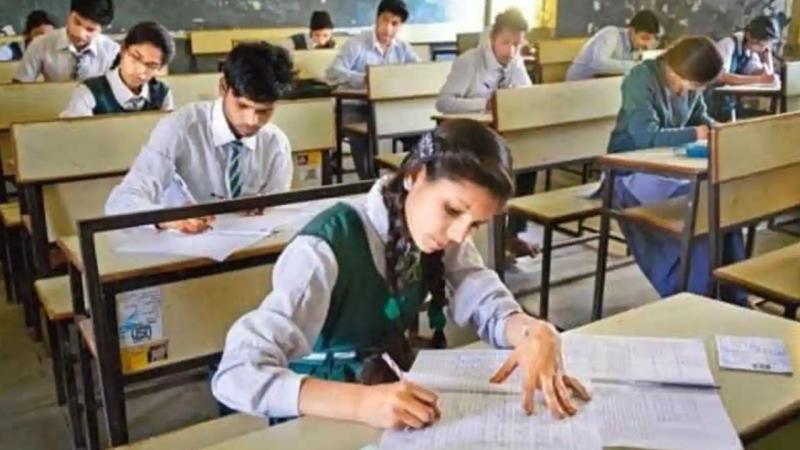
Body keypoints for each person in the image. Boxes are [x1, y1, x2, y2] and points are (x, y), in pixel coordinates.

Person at [212, 119, 591, 428]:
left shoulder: (436, 233)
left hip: (389, 395)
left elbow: (479, 291)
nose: (459, 234)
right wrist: (361, 404)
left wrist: (530, 331)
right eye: (452, 210)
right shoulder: (323, 248)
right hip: (321, 412)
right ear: (414, 176)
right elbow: (236, 374)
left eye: (475, 224)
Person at [607, 36, 746, 305]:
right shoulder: (640, 79)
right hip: (628, 171)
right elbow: (644, 136)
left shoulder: (691, 85)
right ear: (678, 70)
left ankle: (731, 293)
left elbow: (700, 118)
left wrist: (722, 131)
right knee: (701, 207)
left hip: (668, 167)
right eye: (695, 85)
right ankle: (696, 294)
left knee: (720, 202)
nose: (694, 91)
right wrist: (696, 133)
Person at [105, 43, 295, 234]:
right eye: (243, 106)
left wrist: (265, 211)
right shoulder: (180, 128)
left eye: (264, 111)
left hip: (246, 244)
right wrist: (167, 218)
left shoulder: (275, 143)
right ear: (223, 87)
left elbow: (277, 214)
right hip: (181, 243)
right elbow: (121, 203)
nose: (252, 121)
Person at [436, 8, 539, 260]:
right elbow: (444, 103)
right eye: (505, 43)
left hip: (499, 135)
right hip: (468, 137)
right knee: (494, 171)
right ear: (492, 38)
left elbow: (528, 95)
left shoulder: (515, 62)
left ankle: (512, 235)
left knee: (528, 163)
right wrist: (485, 103)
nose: (511, 51)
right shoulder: (469, 62)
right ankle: (485, 239)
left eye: (517, 44)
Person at [326, 0, 420, 180]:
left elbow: (419, 72)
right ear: (376, 18)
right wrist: (366, 79)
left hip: (388, 110)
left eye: (395, 23)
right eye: (385, 20)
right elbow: (332, 73)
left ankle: (408, 180)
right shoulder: (356, 43)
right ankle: (368, 183)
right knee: (363, 137)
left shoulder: (402, 48)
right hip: (355, 108)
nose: (388, 28)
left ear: (401, 26)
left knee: (420, 134)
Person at [61, 21, 175, 117]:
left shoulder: (162, 93)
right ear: (123, 49)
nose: (140, 71)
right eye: (135, 57)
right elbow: (76, 135)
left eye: (151, 66)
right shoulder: (88, 93)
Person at [13, 0, 118, 82]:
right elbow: (18, 90)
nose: (80, 33)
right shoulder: (40, 44)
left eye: (90, 29)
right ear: (69, 14)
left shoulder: (113, 52)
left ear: (104, 28)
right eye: (77, 22)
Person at [709, 16, 780, 121]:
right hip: (712, 105)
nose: (762, 48)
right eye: (761, 44)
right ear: (749, 35)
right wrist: (761, 79)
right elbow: (721, 76)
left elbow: (764, 75)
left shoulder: (749, 51)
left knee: (768, 118)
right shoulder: (728, 44)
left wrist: (767, 56)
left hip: (730, 105)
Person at [566, 10, 660, 81]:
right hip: (576, 86)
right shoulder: (611, 34)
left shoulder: (635, 49)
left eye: (651, 40)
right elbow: (599, 64)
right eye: (644, 38)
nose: (647, 45)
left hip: (600, 87)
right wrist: (636, 66)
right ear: (631, 31)